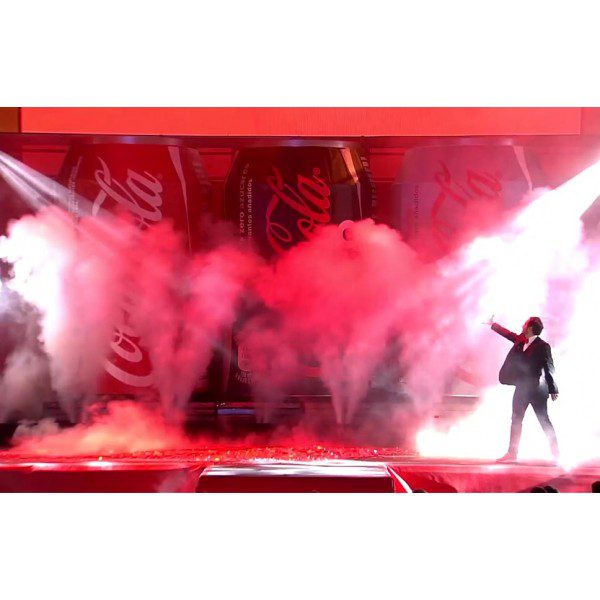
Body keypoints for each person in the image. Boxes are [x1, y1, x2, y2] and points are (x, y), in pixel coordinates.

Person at [488, 316, 559, 463]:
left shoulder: (543, 346)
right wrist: (493, 324)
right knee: (516, 419)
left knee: (544, 420)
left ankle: (556, 454)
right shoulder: (520, 339)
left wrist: (553, 388)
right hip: (521, 388)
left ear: (530, 328)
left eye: (525, 324)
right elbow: (508, 334)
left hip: (537, 390)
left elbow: (549, 366)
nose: (522, 326)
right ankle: (512, 453)